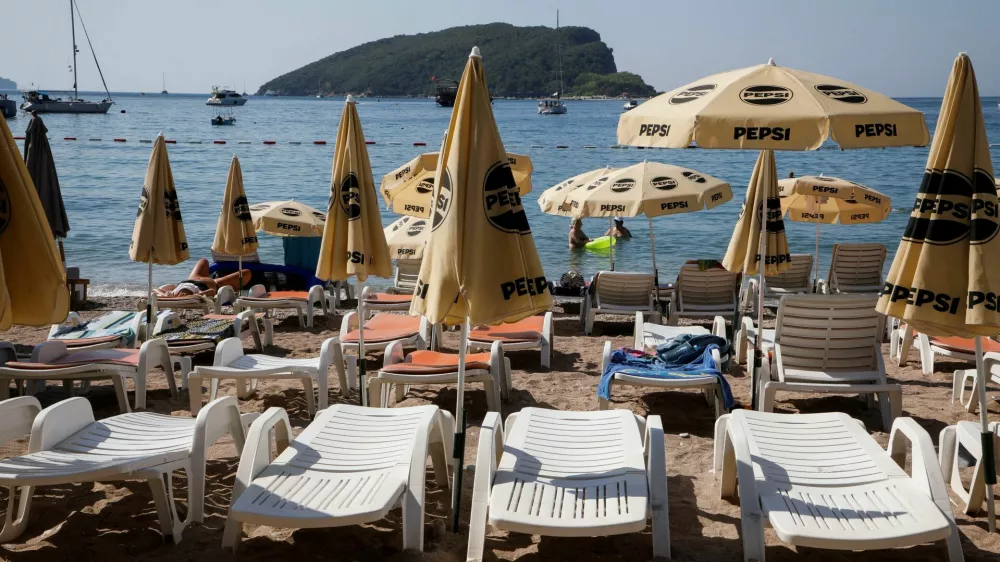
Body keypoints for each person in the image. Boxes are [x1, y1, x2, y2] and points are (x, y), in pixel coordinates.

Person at [153, 258, 251, 297]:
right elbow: (212, 291)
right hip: (214, 283)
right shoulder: (194, 295)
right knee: (246, 273)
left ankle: (233, 287)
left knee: (203, 261)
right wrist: (192, 296)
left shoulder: (172, 295)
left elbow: (154, 290)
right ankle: (233, 288)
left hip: (191, 279)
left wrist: (165, 294)